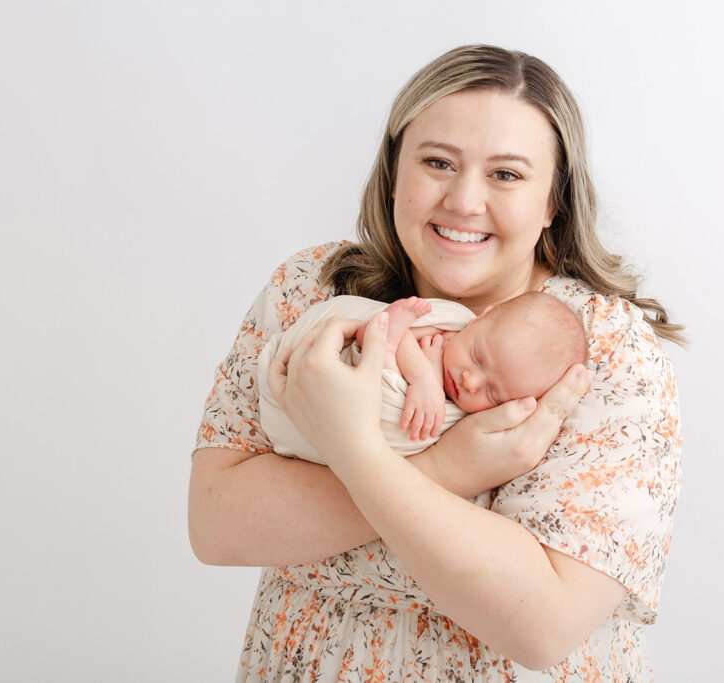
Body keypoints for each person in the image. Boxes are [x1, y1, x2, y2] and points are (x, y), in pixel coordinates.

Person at [189, 44, 684, 681]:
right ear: (395, 169)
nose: (464, 200)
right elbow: (218, 524)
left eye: (506, 175)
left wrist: (356, 451)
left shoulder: (605, 352)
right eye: (437, 162)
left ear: (553, 201)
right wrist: (449, 467)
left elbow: (543, 626)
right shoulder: (312, 291)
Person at [255, 291, 589, 463]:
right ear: (479, 320)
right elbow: (401, 336)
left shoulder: (472, 418)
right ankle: (380, 356)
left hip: (340, 436)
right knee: (380, 342)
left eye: (495, 394)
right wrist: (423, 377)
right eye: (476, 356)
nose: (471, 382)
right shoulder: (451, 324)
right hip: (348, 360)